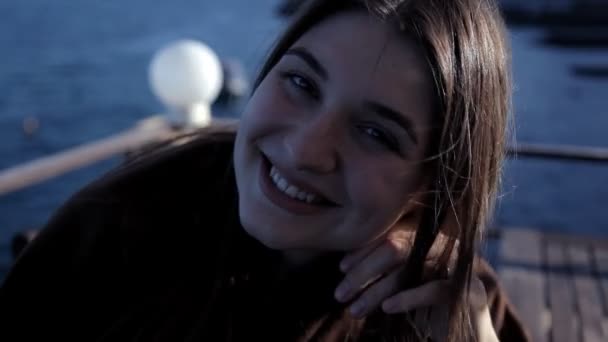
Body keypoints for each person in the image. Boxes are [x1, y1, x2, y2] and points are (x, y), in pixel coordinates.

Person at [0, 0, 529, 340]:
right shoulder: (117, 230)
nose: (304, 151)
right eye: (301, 83)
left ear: (432, 182)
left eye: (376, 133)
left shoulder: (447, 299)